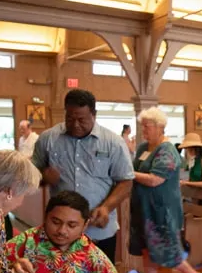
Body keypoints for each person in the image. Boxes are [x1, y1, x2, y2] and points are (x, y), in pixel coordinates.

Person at [32, 90, 135, 262]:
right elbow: (31, 176)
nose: (75, 125)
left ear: (94, 115)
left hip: (99, 230)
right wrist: (43, 177)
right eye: (70, 119)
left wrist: (106, 208)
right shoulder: (48, 139)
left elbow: (126, 181)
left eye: (82, 120)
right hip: (60, 231)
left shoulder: (113, 142)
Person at [129, 107, 202, 273]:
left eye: (148, 126)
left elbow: (155, 180)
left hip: (162, 210)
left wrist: (128, 174)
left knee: (168, 251)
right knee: (147, 249)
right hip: (144, 209)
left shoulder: (168, 150)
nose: (143, 130)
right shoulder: (143, 148)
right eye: (142, 126)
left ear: (160, 127)